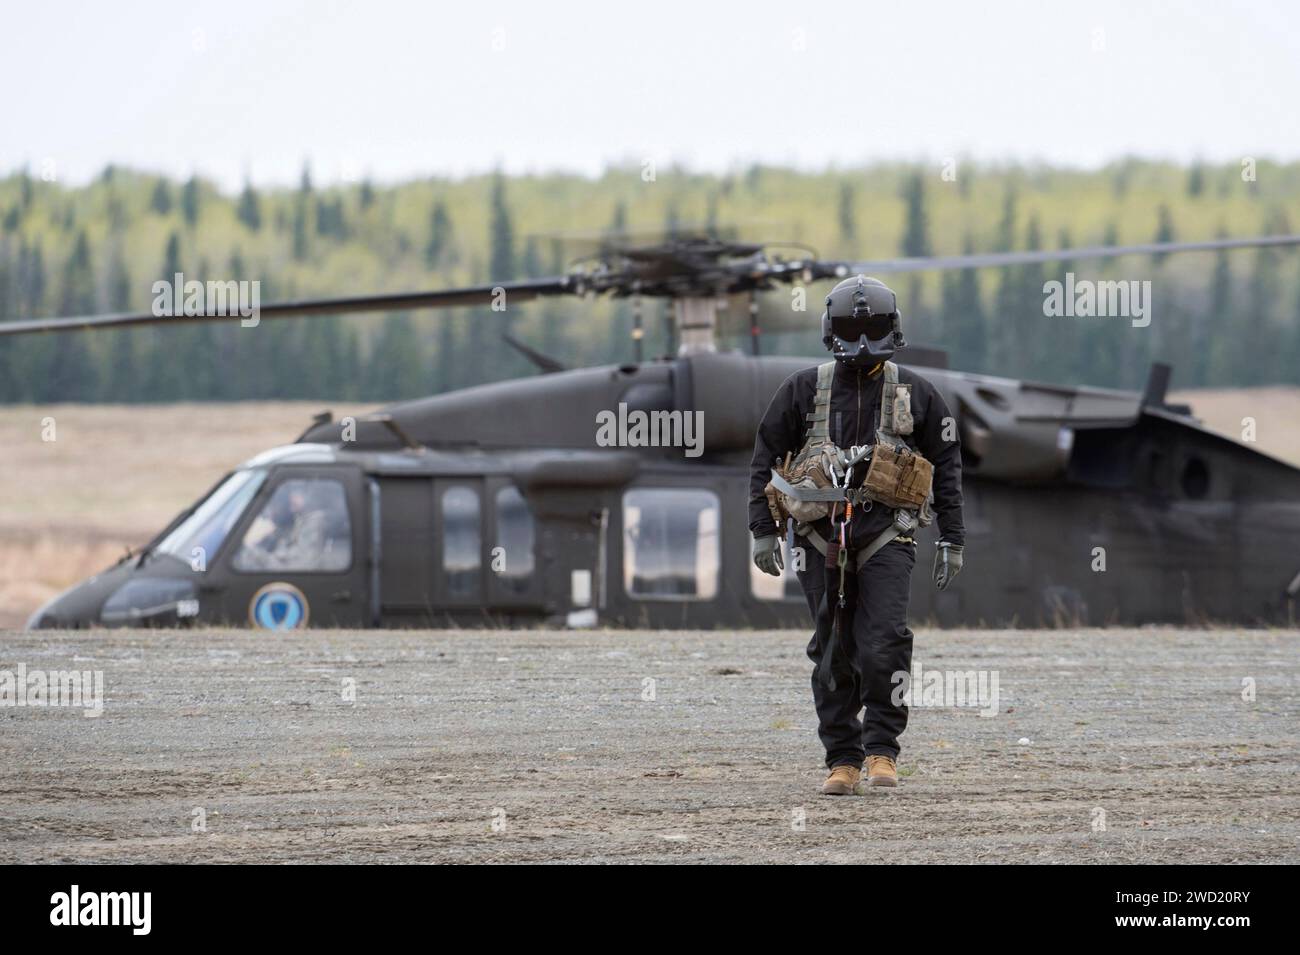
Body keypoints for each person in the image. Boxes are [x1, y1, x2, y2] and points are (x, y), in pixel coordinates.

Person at [749, 276, 965, 794]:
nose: (862, 340)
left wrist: (952, 537)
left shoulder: (919, 394)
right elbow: (765, 460)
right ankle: (842, 760)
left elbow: (947, 464)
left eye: (871, 328)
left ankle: (882, 751)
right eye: (852, 327)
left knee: (884, 642)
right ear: (831, 330)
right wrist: (762, 529)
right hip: (818, 537)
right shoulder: (801, 390)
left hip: (889, 533)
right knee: (831, 647)